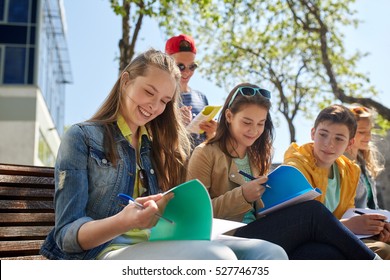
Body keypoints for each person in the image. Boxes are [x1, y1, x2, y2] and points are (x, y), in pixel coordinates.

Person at [39, 49, 287, 260]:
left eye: (165, 101)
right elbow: (65, 237)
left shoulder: (158, 145)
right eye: (149, 92)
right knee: (215, 258)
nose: (155, 107)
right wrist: (124, 221)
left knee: (270, 253)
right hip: (107, 250)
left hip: (161, 240)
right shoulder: (82, 138)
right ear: (125, 81)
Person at [187, 83, 379, 260]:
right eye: (247, 122)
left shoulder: (257, 157)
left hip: (261, 231)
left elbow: (264, 212)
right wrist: (242, 195)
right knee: (313, 211)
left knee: (326, 253)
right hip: (227, 236)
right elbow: (194, 215)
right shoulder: (205, 153)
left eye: (260, 123)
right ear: (229, 116)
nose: (254, 130)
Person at [283, 104, 387, 259]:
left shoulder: (350, 172)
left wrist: (376, 228)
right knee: (380, 251)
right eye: (323, 134)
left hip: (339, 237)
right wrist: (348, 225)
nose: (329, 144)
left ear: (350, 143)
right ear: (313, 133)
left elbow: (349, 212)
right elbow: (301, 226)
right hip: (302, 244)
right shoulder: (296, 167)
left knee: (383, 247)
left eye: (339, 138)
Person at [344, 104, 390, 259]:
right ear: (349, 133)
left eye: (369, 132)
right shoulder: (340, 165)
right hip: (355, 231)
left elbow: (373, 208)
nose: (369, 137)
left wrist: (383, 227)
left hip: (373, 229)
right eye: (362, 132)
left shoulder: (365, 164)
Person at [165, 34, 217, 148]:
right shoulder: (162, 97)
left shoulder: (201, 98)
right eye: (181, 66)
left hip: (200, 163)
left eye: (192, 66)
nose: (187, 72)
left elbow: (208, 143)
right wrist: (176, 124)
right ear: (168, 64)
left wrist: (212, 133)